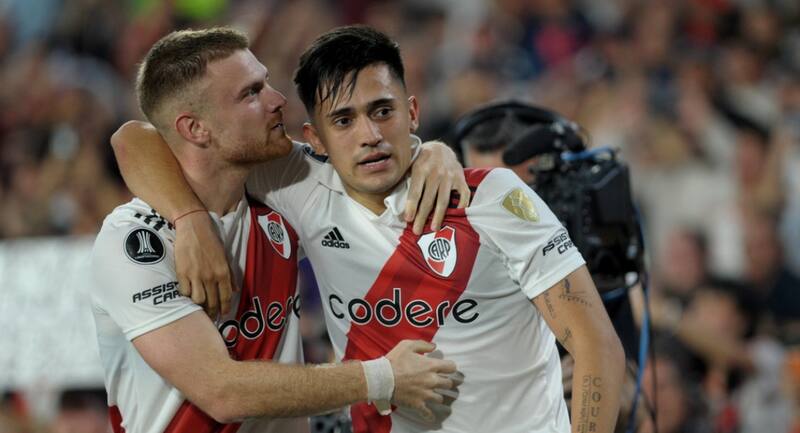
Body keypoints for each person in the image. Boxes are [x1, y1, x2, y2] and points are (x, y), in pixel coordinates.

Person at [113, 25, 625, 433]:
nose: (371, 136)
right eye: (344, 120)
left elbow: (597, 346)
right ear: (314, 137)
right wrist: (190, 219)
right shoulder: (300, 184)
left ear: (412, 113)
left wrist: (438, 152)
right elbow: (135, 138)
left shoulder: (493, 199)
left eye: (383, 111)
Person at [92, 27, 466, 433]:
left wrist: (430, 151)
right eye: (251, 93)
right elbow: (222, 392)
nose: (277, 100)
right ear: (196, 129)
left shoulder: (281, 193)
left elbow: (380, 159)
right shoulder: (134, 242)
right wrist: (382, 377)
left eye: (266, 82)